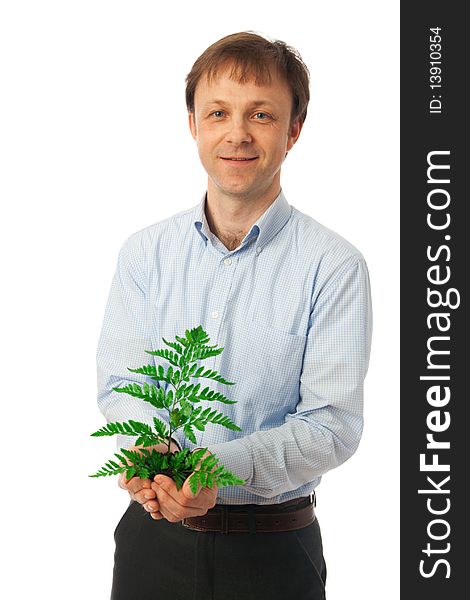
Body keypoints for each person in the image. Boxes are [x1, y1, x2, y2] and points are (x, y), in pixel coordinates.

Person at [97, 31, 372, 600]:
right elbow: (123, 384)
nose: (237, 133)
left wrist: (213, 473)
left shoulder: (334, 266)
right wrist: (151, 457)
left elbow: (332, 427)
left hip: (272, 554)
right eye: (218, 111)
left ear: (294, 131)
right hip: (152, 545)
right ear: (193, 124)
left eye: (262, 114)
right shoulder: (144, 254)